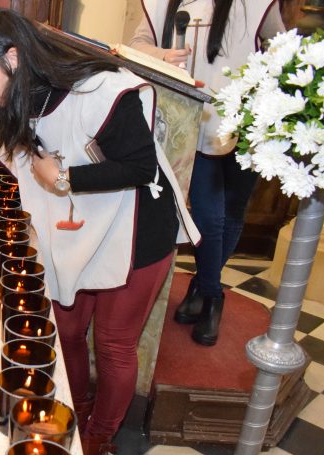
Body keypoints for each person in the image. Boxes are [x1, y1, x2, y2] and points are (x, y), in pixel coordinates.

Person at [0, 9, 198, 455]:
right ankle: (75, 416)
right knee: (66, 332)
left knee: (115, 345)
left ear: (14, 58)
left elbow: (141, 167)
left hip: (137, 230)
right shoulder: (4, 113)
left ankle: (98, 441)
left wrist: (63, 175)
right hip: (74, 233)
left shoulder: (101, 91)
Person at [129, 0, 284, 346]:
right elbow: (137, 44)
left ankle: (201, 285)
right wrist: (161, 54)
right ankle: (215, 295)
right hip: (194, 120)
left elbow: (281, 51)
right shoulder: (160, 3)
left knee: (233, 213)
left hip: (248, 121)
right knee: (207, 216)